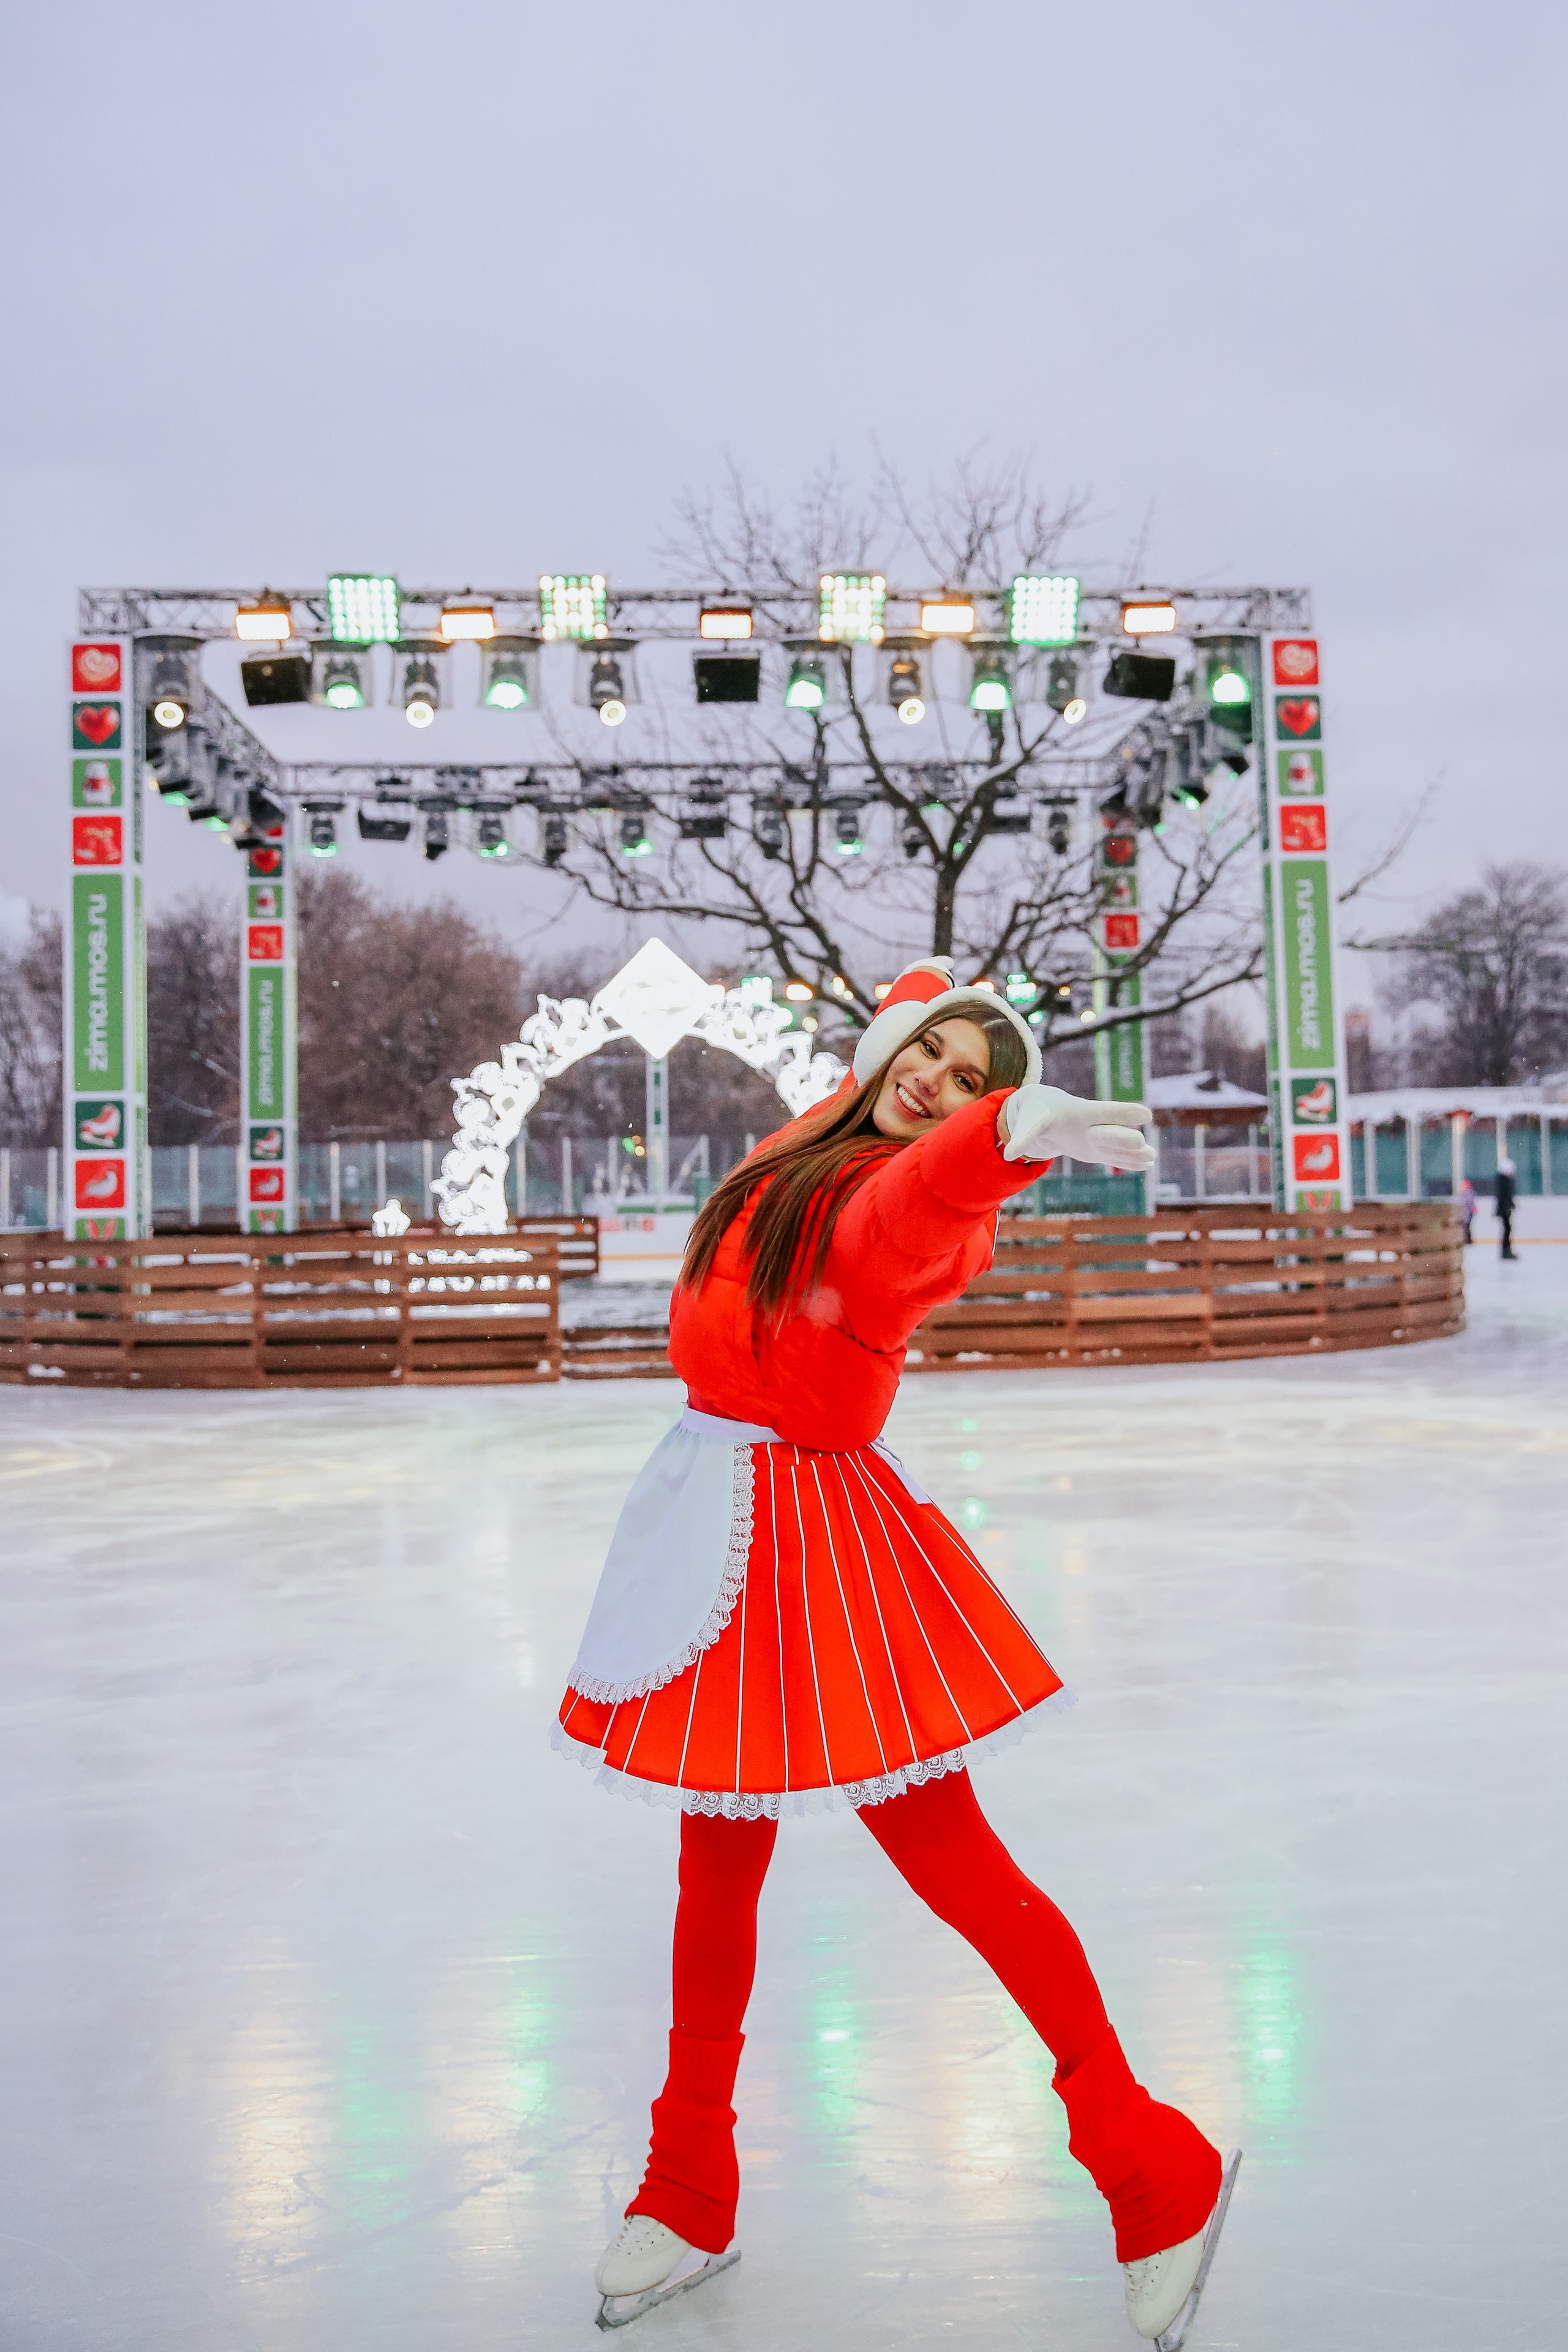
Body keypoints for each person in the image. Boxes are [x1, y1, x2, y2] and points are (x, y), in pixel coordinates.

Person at [554, 959, 1239, 2342]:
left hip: (816, 1549)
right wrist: (930, 1101)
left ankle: (1145, 2158)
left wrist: (992, 1148)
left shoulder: (898, 1197)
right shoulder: (808, 1141)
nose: (934, 1081)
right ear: (889, 1043)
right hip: (713, 1532)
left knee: (953, 1861)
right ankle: (688, 2178)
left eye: (969, 1079)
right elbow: (860, 1148)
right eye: (929, 1052)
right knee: (711, 1873)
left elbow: (905, 1219)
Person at [1496, 1156, 1518, 1259]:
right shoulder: (1505, 1182)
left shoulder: (1503, 1181)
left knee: (1507, 1229)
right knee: (1507, 1229)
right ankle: (1506, 1251)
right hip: (1504, 1209)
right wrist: (1509, 1205)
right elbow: (1505, 1196)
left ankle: (1507, 1251)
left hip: (1504, 1209)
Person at [1460, 1176, 1477, 1244]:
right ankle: (1467, 1240)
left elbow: (1469, 1203)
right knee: (1466, 1227)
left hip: (1468, 1213)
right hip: (1467, 1213)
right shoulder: (1466, 1193)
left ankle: (1467, 1240)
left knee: (1467, 1227)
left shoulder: (1468, 1193)